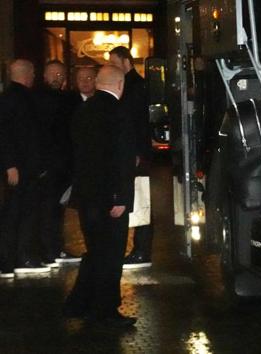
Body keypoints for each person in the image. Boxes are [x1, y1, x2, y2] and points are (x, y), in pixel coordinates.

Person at [63, 65, 136, 327]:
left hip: (87, 197)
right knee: (110, 255)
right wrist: (120, 197)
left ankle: (78, 303)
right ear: (120, 85)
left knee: (95, 251)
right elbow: (121, 159)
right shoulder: (118, 112)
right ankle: (104, 310)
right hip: (109, 198)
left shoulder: (83, 110)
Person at [0, 59, 51, 277]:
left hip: (23, 166)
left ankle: (15, 258)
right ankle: (19, 257)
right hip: (22, 168)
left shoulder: (11, 97)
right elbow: (6, 134)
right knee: (21, 213)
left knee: (18, 213)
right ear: (28, 73)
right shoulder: (18, 99)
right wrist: (11, 164)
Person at [108, 46, 153, 269]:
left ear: (126, 61)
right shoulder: (135, 85)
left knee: (141, 200)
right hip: (135, 152)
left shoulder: (135, 87)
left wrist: (136, 152)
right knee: (137, 198)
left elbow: (137, 124)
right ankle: (139, 249)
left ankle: (142, 249)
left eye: (115, 63)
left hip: (136, 154)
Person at [35, 60, 81, 267]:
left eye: (61, 75)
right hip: (49, 165)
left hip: (61, 165)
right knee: (48, 209)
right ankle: (48, 250)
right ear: (44, 75)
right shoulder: (41, 99)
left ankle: (53, 248)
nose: (58, 78)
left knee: (56, 209)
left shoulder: (65, 99)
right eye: (54, 74)